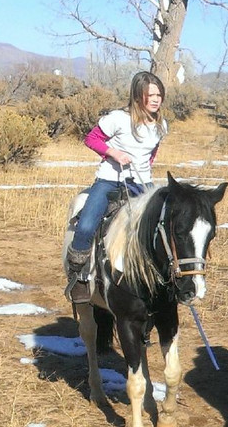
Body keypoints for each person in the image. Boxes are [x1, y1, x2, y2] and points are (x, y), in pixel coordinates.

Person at [65, 71, 167, 301]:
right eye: (150, 94)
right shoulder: (118, 118)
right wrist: (113, 153)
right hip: (110, 180)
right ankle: (79, 277)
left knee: (157, 228)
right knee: (86, 226)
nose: (156, 99)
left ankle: (156, 278)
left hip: (142, 184)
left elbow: (152, 152)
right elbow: (91, 139)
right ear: (137, 95)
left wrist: (144, 169)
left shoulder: (161, 125)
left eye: (159, 94)